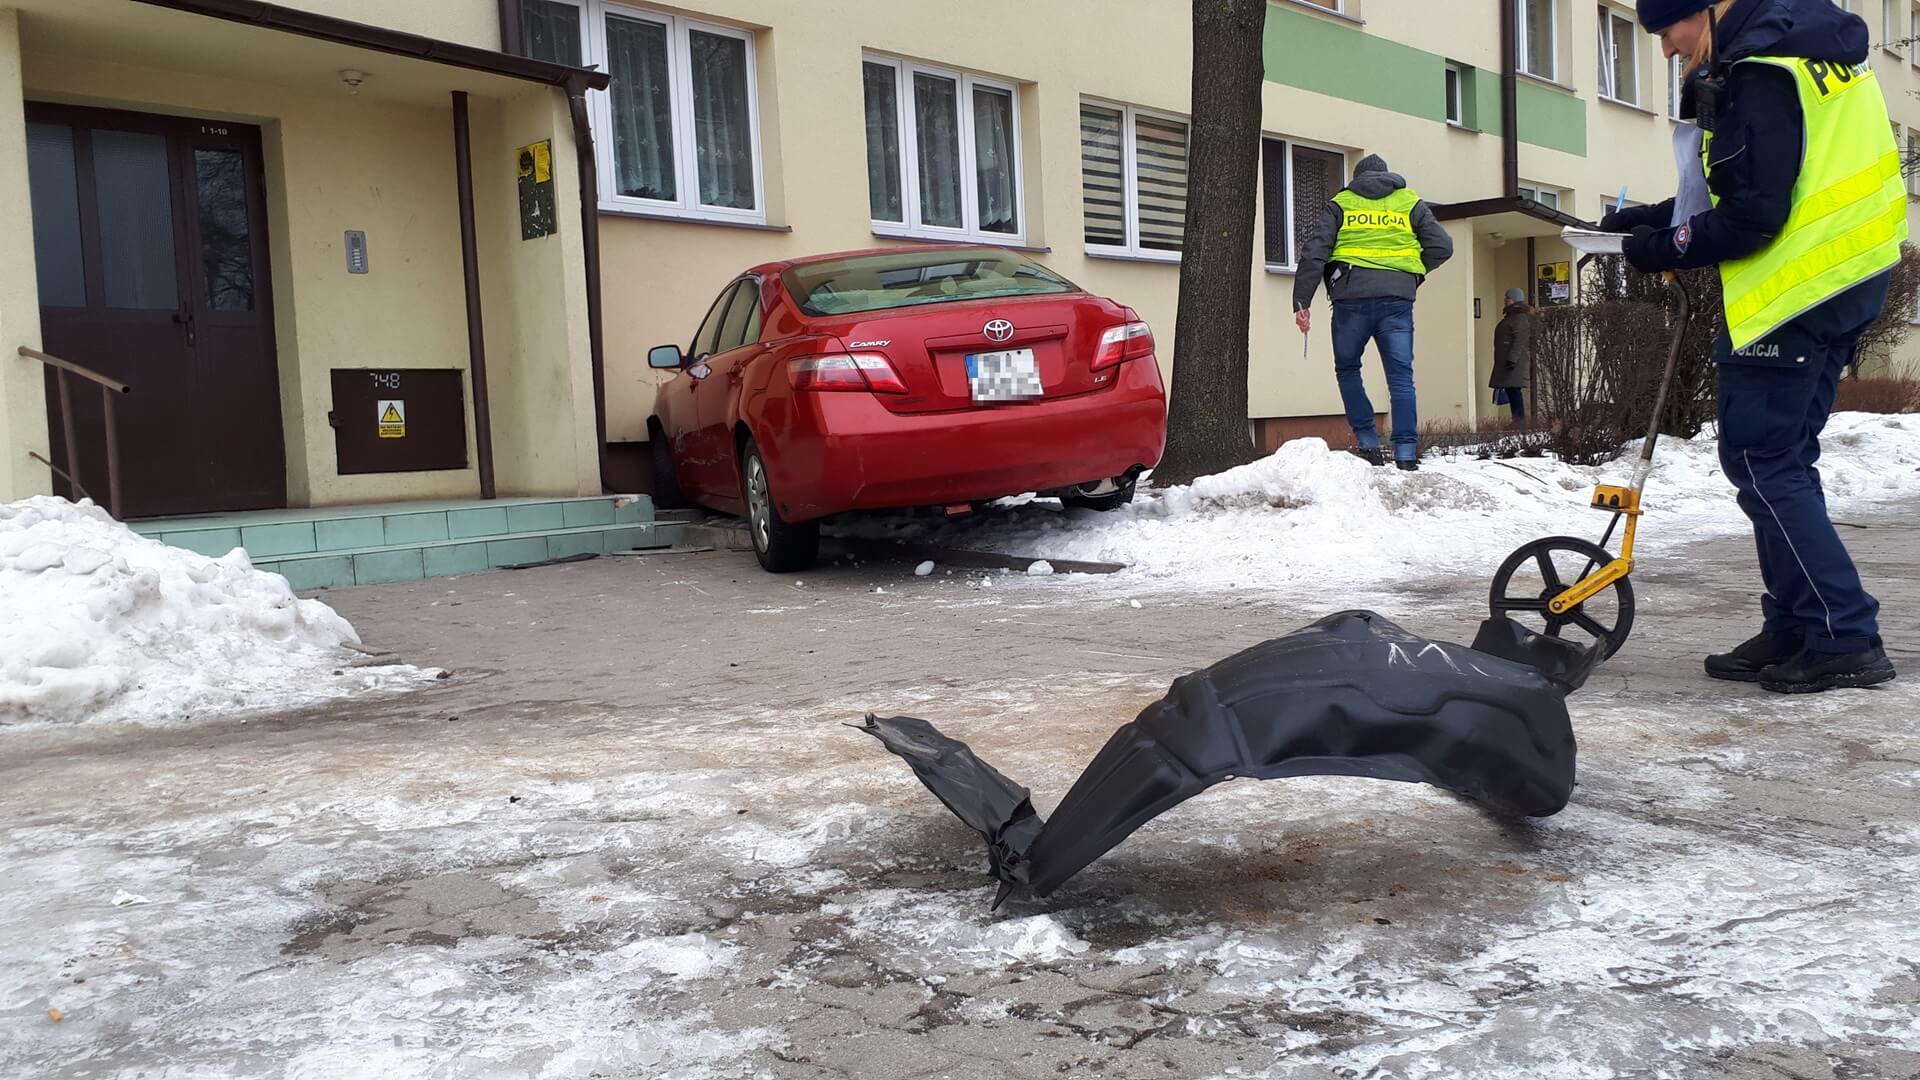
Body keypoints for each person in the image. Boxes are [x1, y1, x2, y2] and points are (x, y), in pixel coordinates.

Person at [1602, 0, 1902, 692]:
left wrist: (1660, 250)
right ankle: (1798, 624)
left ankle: (1843, 634)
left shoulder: (1760, 71)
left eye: (1667, 31)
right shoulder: (1809, 50)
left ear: (1702, 11)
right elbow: (1758, 183)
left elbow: (1753, 217)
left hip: (1795, 290)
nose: (1668, 51)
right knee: (1781, 460)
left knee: (1763, 462)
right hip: (1844, 275)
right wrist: (1646, 221)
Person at [1294, 154, 1455, 471]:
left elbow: (1315, 251)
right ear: (1387, 174)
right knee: (1401, 378)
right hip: (1396, 300)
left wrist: (1302, 301)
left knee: (1348, 369)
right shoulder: (1409, 202)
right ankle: (1406, 453)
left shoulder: (1342, 202)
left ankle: (1368, 442)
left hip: (1350, 298)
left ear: (1357, 176)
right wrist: (1414, 273)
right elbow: (1442, 246)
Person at [1491, 287, 1533, 424]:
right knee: (1511, 390)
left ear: (1513, 300)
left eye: (1507, 298)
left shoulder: (1519, 317)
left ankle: (1519, 421)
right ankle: (1517, 420)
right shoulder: (1513, 316)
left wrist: (1512, 359)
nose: (1505, 300)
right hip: (1510, 361)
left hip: (1515, 362)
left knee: (1514, 391)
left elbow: (1520, 339)